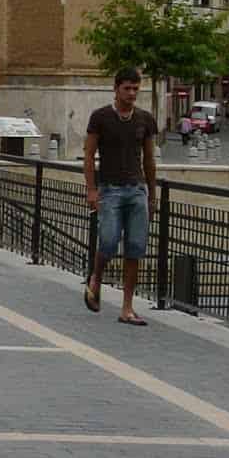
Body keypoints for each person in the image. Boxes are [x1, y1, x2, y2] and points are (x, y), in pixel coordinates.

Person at [83, 66, 157, 326]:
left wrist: (152, 194)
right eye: (127, 88)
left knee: (135, 248)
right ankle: (97, 276)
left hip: (137, 190)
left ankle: (127, 308)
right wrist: (92, 189)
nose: (132, 93)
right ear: (116, 89)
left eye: (136, 88)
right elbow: (89, 156)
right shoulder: (100, 117)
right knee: (109, 241)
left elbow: (149, 159)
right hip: (110, 190)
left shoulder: (145, 119)